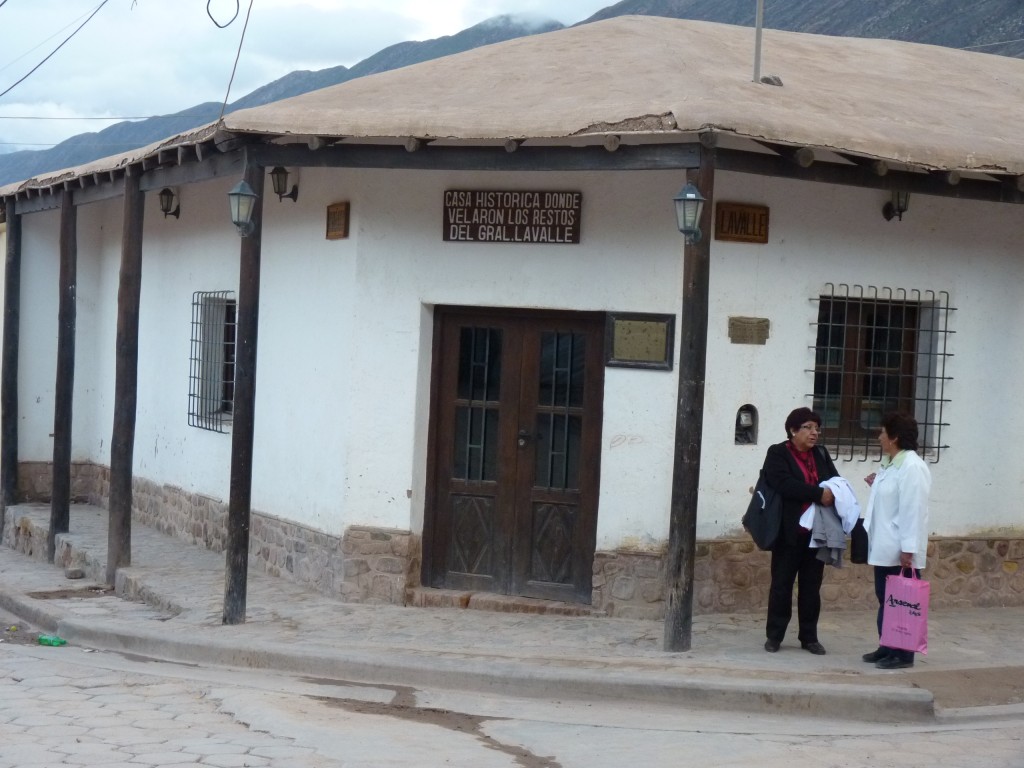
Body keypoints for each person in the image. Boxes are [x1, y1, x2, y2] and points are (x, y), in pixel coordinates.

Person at [762, 407, 839, 655]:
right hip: (788, 531)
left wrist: (836, 492)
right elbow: (783, 483)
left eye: (817, 428)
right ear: (793, 430)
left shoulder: (821, 454)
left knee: (811, 586)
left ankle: (809, 637)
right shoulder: (777, 453)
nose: (814, 433)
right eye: (808, 427)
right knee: (781, 585)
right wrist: (818, 493)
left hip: (816, 533)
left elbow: (834, 481)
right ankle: (774, 636)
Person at [862, 411, 931, 670]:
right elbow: (893, 498)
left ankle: (903, 654)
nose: (879, 437)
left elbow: (913, 509)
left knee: (902, 600)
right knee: (886, 597)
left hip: (900, 548)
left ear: (895, 437)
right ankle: (887, 645)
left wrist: (908, 549)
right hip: (885, 545)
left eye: (882, 432)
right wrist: (876, 485)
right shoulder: (893, 464)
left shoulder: (912, 466)